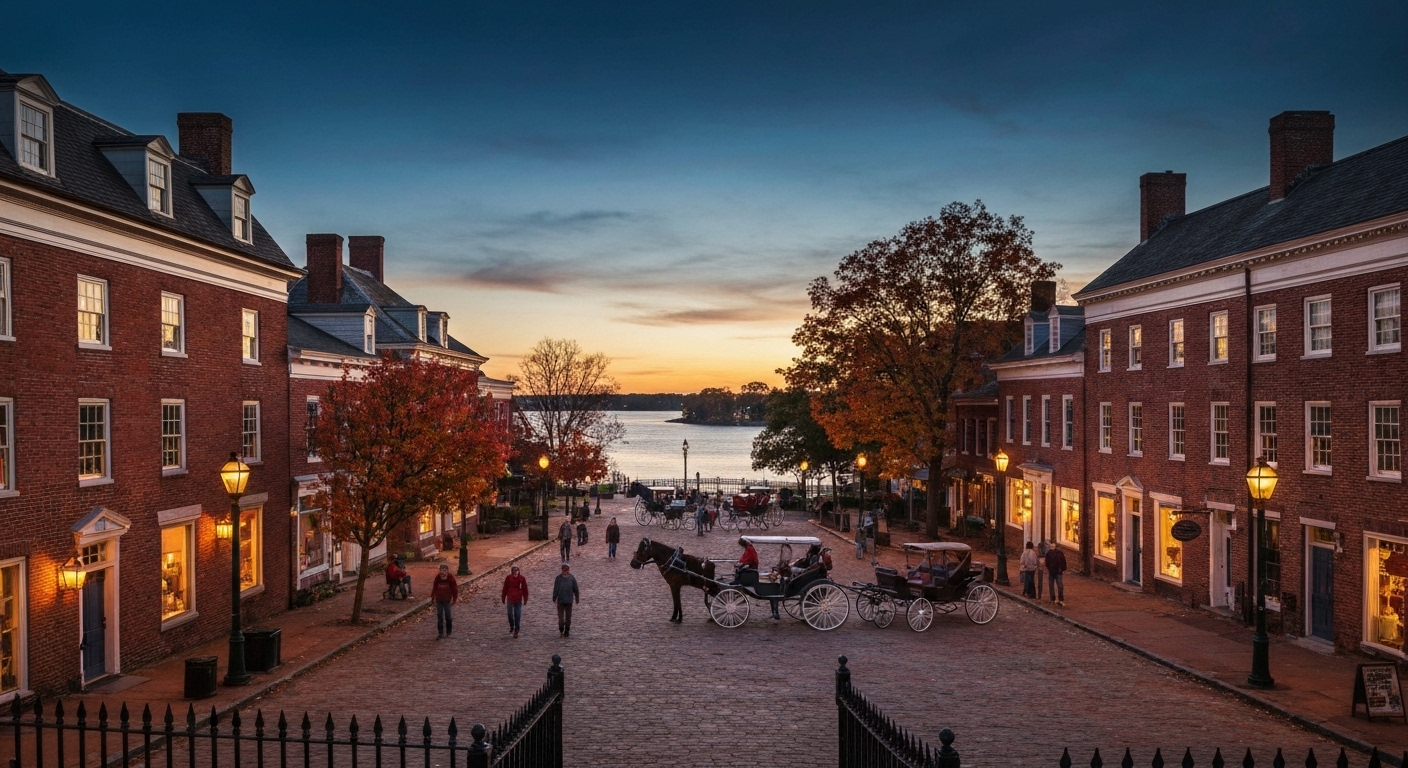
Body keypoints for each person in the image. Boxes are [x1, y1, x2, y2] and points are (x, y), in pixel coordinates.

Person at [430, 564, 458, 639]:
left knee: (448, 617)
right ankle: (440, 633)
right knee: (440, 617)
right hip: (439, 600)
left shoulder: (451, 578)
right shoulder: (438, 577)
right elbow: (434, 587)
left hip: (447, 600)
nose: (443, 573)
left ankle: (448, 632)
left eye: (445, 571)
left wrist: (454, 599)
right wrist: (432, 597)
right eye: (442, 570)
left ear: (448, 571)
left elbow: (454, 589)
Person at [553, 562, 580, 637]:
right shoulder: (558, 578)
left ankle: (567, 630)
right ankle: (561, 629)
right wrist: (554, 597)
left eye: (566, 570)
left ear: (568, 570)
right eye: (563, 570)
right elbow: (556, 588)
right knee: (561, 618)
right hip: (560, 601)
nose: (565, 572)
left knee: (568, 618)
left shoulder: (572, 578)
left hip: (569, 601)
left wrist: (577, 598)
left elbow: (575, 589)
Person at [501, 564, 528, 638]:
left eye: (517, 570)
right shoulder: (508, 578)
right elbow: (505, 588)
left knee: (517, 614)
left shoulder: (522, 579)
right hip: (510, 599)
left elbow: (525, 589)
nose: (515, 572)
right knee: (510, 614)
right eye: (514, 570)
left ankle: (516, 630)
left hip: (518, 600)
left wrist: (525, 598)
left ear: (519, 571)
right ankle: (512, 625)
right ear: (512, 571)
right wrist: (503, 597)